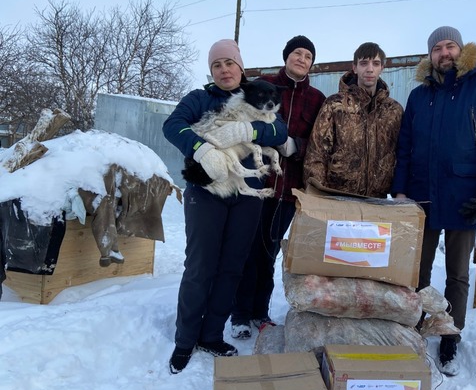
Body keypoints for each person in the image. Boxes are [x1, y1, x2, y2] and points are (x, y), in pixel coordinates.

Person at [392, 26, 476, 376]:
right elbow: (405, 147)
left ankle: (450, 334)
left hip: (467, 194)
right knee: (416, 270)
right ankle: (415, 325)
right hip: (423, 195)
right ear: (429, 55)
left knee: (457, 273)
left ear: (461, 50)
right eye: (437, 48)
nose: (444, 53)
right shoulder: (420, 96)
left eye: (450, 46)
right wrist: (400, 191)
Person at [162, 39, 287, 373]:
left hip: (246, 194)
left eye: (229, 63)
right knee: (201, 266)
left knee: (232, 265)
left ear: (240, 67)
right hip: (206, 191)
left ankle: (211, 334)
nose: (224, 69)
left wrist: (251, 128)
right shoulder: (199, 98)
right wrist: (201, 148)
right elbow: (172, 125)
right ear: (211, 71)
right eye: (217, 65)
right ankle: (185, 340)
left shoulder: (256, 93)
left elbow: (279, 128)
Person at [230, 35, 326, 339]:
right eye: (297, 53)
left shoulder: (317, 98)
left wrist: (295, 145)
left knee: (269, 250)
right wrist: (272, 137)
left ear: (312, 63)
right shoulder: (264, 84)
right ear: (286, 56)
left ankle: (260, 312)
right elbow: (239, 118)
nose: (301, 59)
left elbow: (321, 141)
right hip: (254, 182)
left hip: (287, 187)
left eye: (307, 56)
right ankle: (240, 315)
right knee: (246, 249)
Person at [304, 42, 403, 198]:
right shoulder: (335, 105)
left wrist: (399, 191)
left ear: (382, 68)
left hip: (378, 200)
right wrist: (319, 195)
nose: (369, 69)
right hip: (338, 198)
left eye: (375, 64)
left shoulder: (394, 110)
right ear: (355, 67)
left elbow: (402, 154)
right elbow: (316, 154)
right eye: (364, 63)